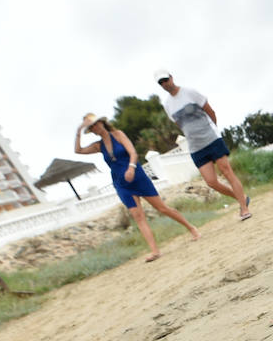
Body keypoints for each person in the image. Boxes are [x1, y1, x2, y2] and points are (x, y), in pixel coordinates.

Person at [75, 112, 199, 262]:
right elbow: (78, 150)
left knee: (162, 208)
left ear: (101, 123)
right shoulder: (98, 146)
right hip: (121, 183)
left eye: (95, 124)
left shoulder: (118, 134)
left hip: (137, 176)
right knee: (138, 216)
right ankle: (155, 251)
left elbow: (133, 152)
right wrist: (78, 131)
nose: (94, 128)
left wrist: (131, 168)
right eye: (91, 127)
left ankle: (191, 228)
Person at [154, 70, 252, 220]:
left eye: (166, 80)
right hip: (195, 146)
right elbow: (180, 124)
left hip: (211, 138)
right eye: (161, 83)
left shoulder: (190, 92)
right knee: (211, 182)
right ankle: (241, 197)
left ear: (172, 77)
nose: (165, 84)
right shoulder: (167, 104)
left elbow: (210, 111)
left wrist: (213, 130)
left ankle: (244, 209)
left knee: (227, 172)